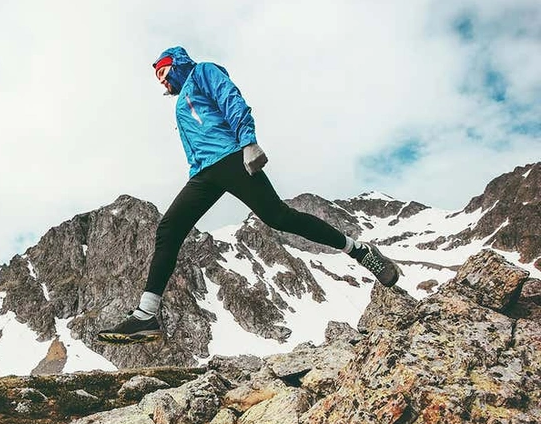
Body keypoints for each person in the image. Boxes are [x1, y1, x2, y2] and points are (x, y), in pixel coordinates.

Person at [97, 46, 400, 344]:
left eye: (163, 74)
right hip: (203, 173)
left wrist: (248, 141)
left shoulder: (203, 72)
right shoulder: (182, 98)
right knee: (169, 229)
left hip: (231, 158)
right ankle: (145, 316)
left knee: (278, 216)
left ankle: (359, 251)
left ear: (174, 65)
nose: (162, 82)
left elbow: (230, 98)